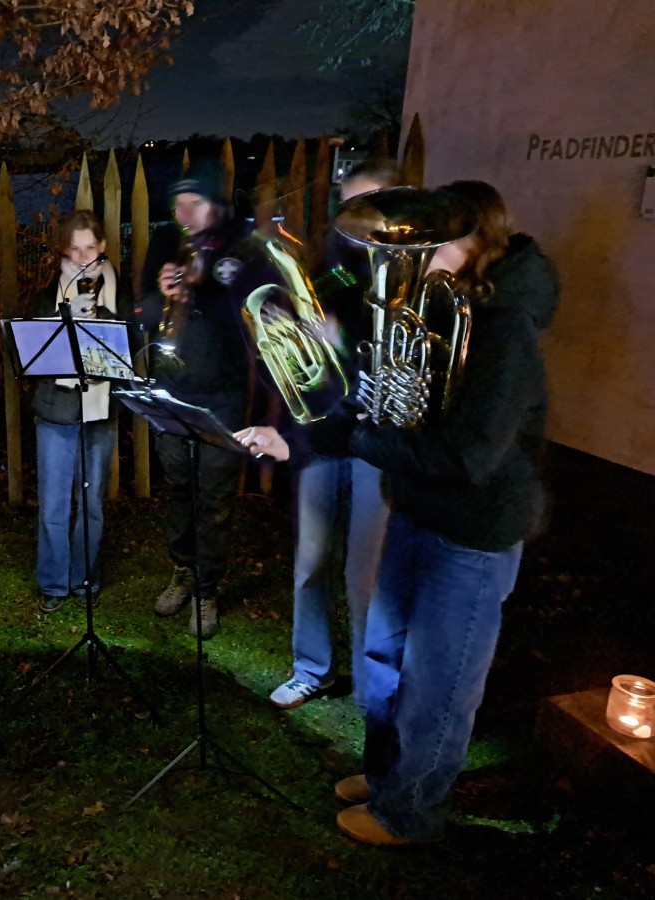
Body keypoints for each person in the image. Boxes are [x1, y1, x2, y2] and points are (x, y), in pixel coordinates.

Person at [271, 181, 560, 845]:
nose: (419, 262)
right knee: (385, 656)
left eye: (436, 246)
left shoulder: (503, 329)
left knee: (440, 682)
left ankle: (413, 812)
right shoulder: (433, 312)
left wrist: (359, 439)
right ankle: (386, 779)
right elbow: (402, 408)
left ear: (477, 244)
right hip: (417, 510)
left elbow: (467, 455)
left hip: (472, 533)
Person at [269, 158, 401, 711]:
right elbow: (317, 329)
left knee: (366, 574)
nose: (356, 218)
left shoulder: (413, 269)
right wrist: (299, 326)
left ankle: (373, 686)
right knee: (311, 561)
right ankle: (313, 669)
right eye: (349, 206)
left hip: (374, 440)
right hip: (325, 435)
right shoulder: (337, 262)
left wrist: (338, 336)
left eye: (367, 203)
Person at [134, 162, 274, 638]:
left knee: (214, 497)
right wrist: (160, 293)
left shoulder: (241, 249)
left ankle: (208, 588)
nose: (185, 212)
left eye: (196, 202)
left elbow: (249, 315)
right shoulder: (162, 245)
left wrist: (201, 286)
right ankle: (182, 569)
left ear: (216, 206)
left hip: (224, 394)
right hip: (170, 389)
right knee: (177, 485)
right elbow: (145, 314)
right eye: (179, 203)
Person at [31, 210, 123, 613]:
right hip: (56, 408)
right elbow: (35, 349)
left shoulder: (119, 290)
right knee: (54, 502)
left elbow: (127, 346)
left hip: (99, 409)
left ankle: (85, 578)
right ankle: (53, 583)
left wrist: (101, 317)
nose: (84, 256)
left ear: (102, 247)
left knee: (92, 503)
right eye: (75, 249)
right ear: (63, 252)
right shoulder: (47, 291)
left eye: (91, 247)